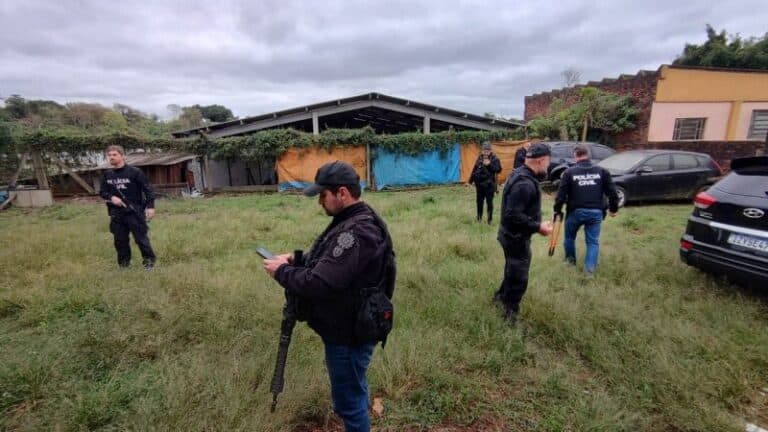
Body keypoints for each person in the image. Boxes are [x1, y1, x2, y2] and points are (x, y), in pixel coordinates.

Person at [263, 161, 394, 432]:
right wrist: (296, 259)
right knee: (353, 393)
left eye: (323, 195)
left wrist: (282, 273)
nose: (320, 202)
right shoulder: (351, 220)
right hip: (347, 328)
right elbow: (331, 261)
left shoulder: (357, 231)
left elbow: (319, 283)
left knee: (349, 405)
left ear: (342, 193)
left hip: (348, 335)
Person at [495, 143, 553, 323]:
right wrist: (538, 227)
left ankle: (499, 298)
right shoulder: (524, 183)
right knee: (519, 277)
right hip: (515, 238)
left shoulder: (520, 173)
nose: (548, 166)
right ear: (541, 161)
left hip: (509, 235)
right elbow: (512, 214)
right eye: (547, 162)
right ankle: (509, 316)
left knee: (511, 270)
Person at [553, 144, 619, 274]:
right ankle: (589, 272)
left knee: (569, 238)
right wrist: (613, 209)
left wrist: (557, 210)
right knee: (593, 242)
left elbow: (560, 195)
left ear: (575, 155)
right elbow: (612, 193)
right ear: (588, 155)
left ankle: (570, 263)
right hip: (595, 212)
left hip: (574, 212)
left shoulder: (569, 172)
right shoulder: (602, 171)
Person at [99, 145, 157, 270]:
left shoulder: (135, 172)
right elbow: (102, 192)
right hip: (116, 213)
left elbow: (148, 190)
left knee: (141, 239)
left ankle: (149, 263)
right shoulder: (107, 175)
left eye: (114, 154)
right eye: (109, 155)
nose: (111, 157)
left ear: (122, 155)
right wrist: (112, 198)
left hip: (134, 211)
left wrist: (151, 207)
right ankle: (124, 265)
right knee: (120, 241)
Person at [468, 141, 502, 224]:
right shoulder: (479, 158)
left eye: (487, 150)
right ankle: (479, 218)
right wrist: (470, 181)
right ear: (482, 150)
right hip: (479, 185)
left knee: (489, 203)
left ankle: (489, 220)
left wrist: (489, 164)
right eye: (484, 150)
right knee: (479, 202)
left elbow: (498, 170)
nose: (485, 152)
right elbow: (474, 169)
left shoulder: (495, 158)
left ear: (490, 151)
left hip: (489, 185)